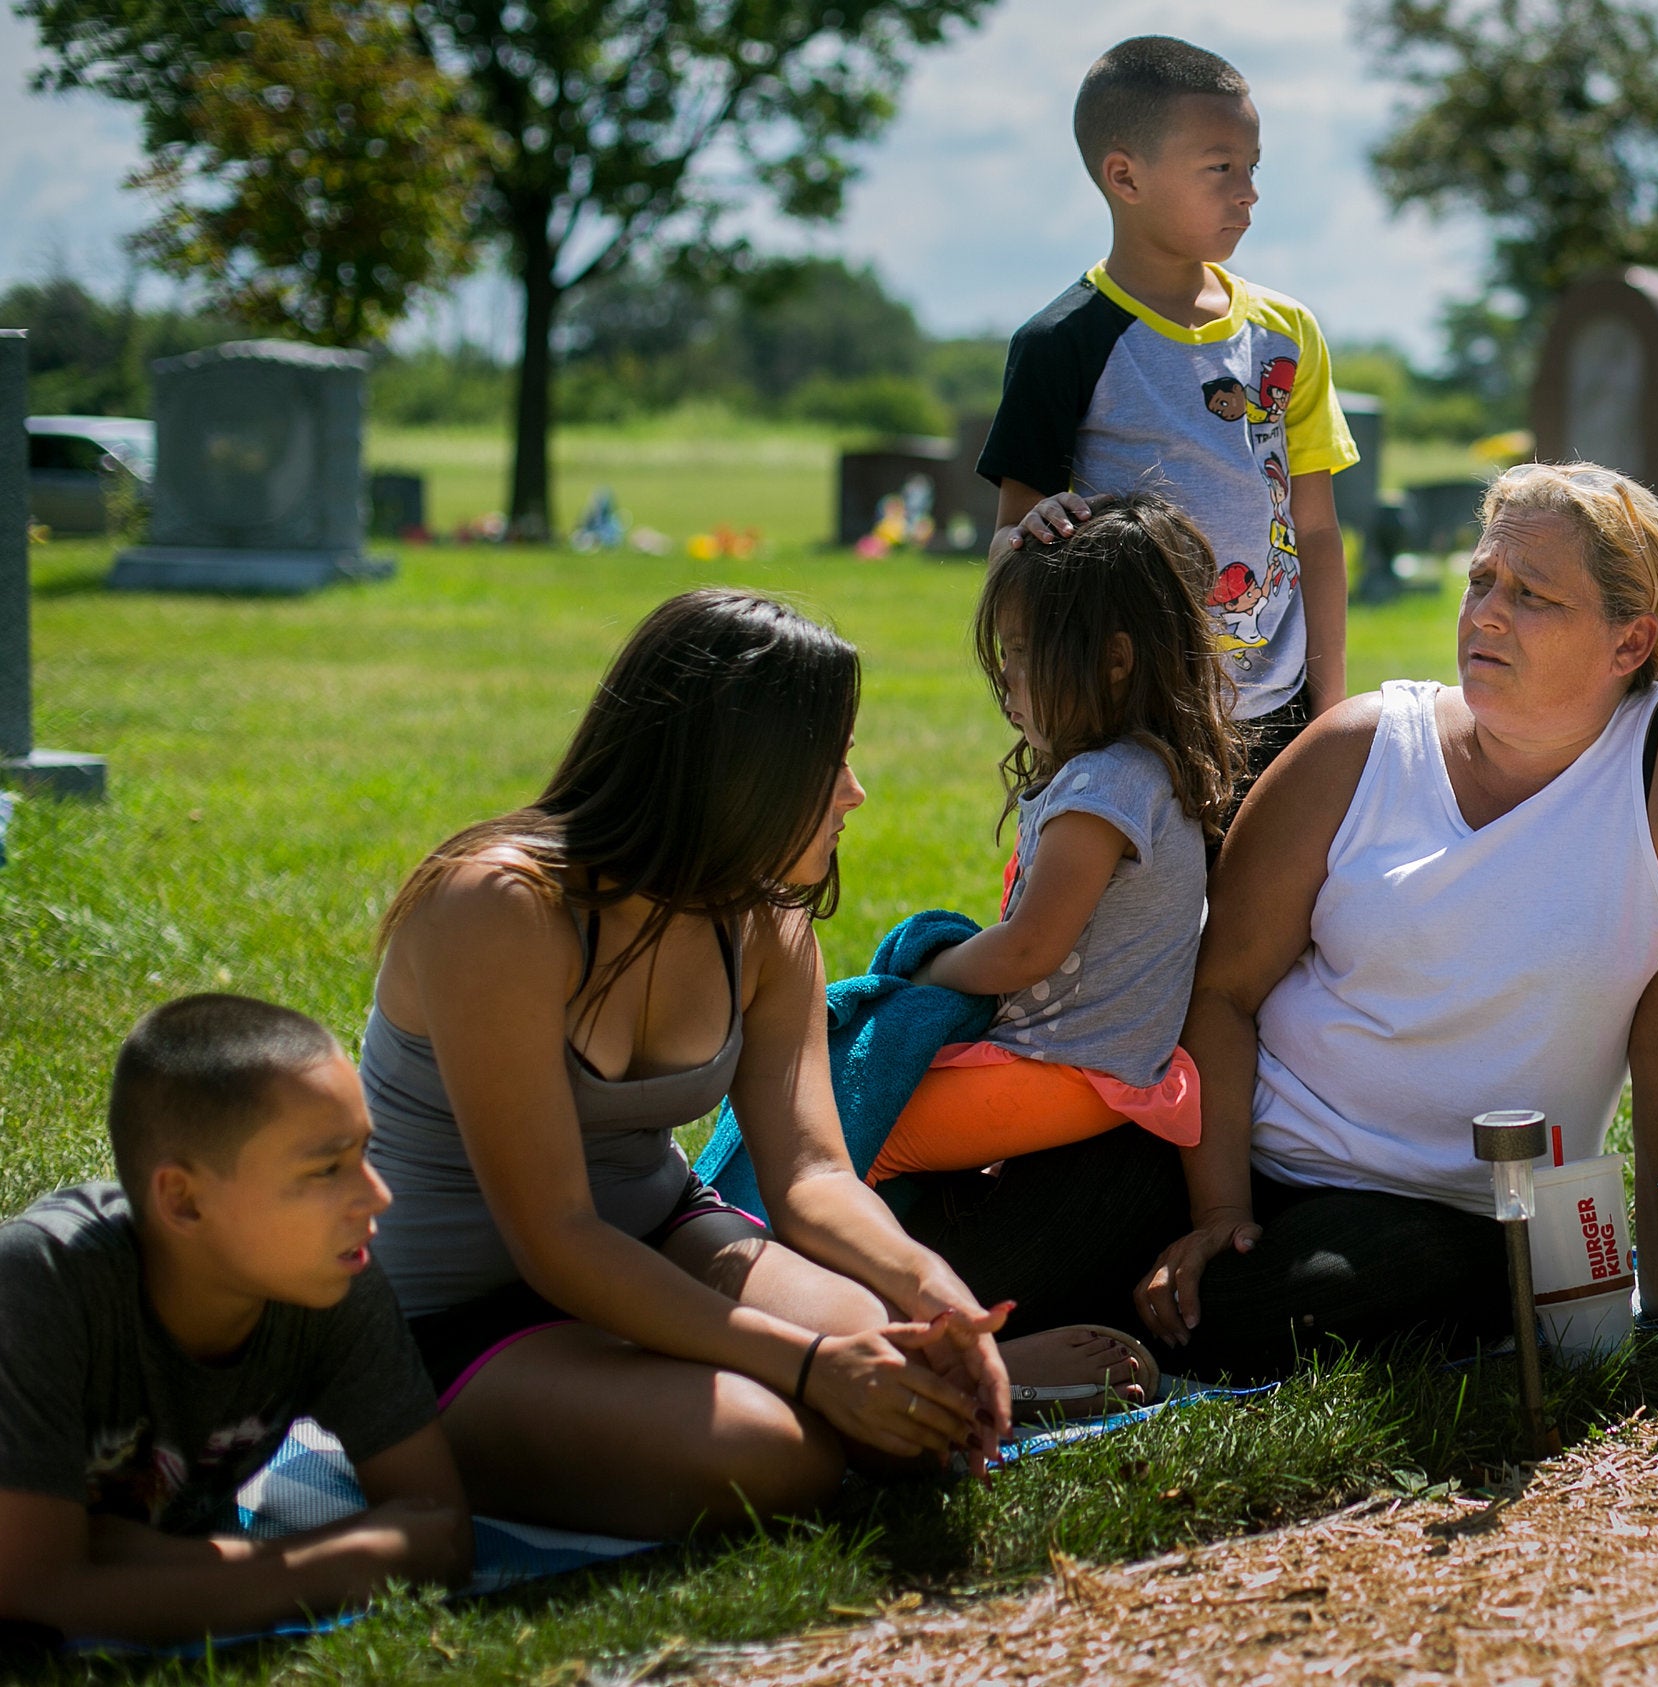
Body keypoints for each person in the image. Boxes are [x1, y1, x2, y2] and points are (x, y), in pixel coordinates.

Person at [362, 589, 1141, 1541]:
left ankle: (957, 1372)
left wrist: (935, 1291)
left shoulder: (763, 922)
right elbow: (555, 1236)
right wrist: (811, 1369)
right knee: (779, 1453)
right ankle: (867, 1391)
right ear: (737, 767)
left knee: (888, 1391)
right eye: (832, 761)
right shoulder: (497, 910)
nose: (854, 792)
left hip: (663, 1234)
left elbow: (812, 1174)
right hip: (463, 1312)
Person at [1137, 463, 1658, 1377]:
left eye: (1532, 596)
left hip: (1460, 1218)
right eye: (1482, 579)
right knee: (1016, 1235)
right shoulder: (1357, 746)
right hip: (1233, 1161)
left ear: (1628, 640)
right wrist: (1217, 1211)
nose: (1485, 611)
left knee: (1297, 1305)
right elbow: (1223, 990)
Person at [0, 996, 470, 1645]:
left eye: (365, 1152)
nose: (377, 1194)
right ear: (184, 1200)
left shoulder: (330, 1279)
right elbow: (32, 1592)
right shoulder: (40, 1284)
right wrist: (325, 1566)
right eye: (326, 1168)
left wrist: (150, 1557)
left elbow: (439, 1531)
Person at [869, 496, 1231, 1324]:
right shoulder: (1135, 768)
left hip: (1074, 1076)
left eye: (1027, 656)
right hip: (1081, 1068)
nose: (1008, 680)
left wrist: (927, 966)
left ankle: (908, 1328)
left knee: (854, 1131)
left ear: (1114, 660)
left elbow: (1028, 948)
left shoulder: (1104, 786)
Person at [978, 34, 1357, 789]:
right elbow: (1010, 544)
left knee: (1274, 910)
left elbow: (1315, 530)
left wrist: (1328, 710)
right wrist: (1035, 536)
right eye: (1220, 168)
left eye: (1252, 169)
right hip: (1128, 720)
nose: (1247, 192)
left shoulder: (1288, 332)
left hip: (1276, 715)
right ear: (1125, 176)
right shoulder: (1062, 343)